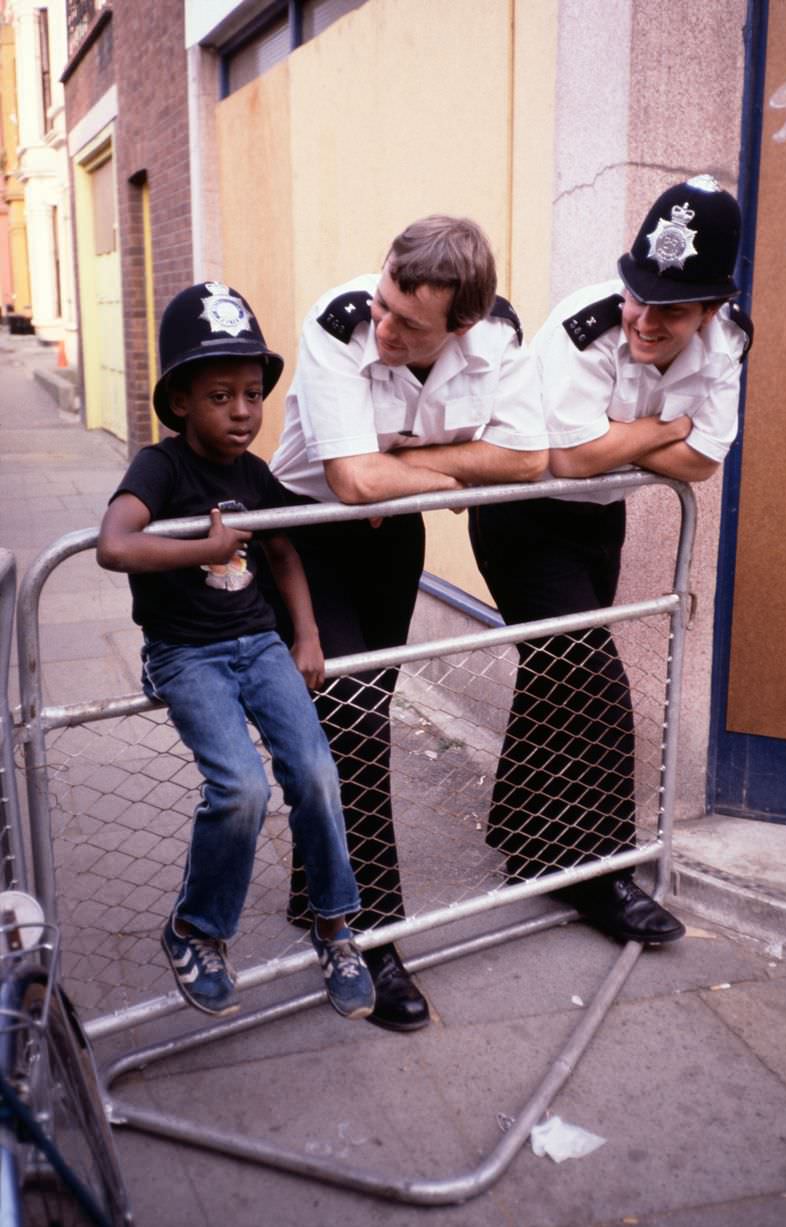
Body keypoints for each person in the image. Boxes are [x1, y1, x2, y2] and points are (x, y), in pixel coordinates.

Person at [270, 216, 548, 1030]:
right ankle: (368, 931)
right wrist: (442, 468)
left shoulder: (498, 337)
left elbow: (529, 458)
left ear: (460, 325)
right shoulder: (337, 322)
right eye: (384, 300)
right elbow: (348, 482)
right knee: (351, 719)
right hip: (307, 531)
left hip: (397, 535)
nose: (382, 325)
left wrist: (405, 470)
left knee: (360, 718)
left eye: (407, 321)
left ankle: (312, 884)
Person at [469, 175, 753, 944]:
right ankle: (602, 880)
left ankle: (528, 846)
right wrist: (669, 427)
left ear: (713, 310)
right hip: (521, 519)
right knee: (595, 688)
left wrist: (630, 445)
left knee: (553, 672)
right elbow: (568, 456)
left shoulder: (731, 339)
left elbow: (705, 460)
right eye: (639, 297)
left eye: (672, 310)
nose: (645, 320)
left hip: (599, 523)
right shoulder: (583, 323)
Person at [96, 282, 375, 1021]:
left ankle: (335, 925)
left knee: (316, 770)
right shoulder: (161, 469)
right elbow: (112, 544)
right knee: (241, 787)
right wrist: (204, 545)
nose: (244, 411)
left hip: (260, 644)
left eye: (253, 393)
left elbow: (284, 549)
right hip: (187, 653)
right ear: (181, 400)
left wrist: (307, 634)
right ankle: (195, 929)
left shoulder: (252, 474)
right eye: (222, 395)